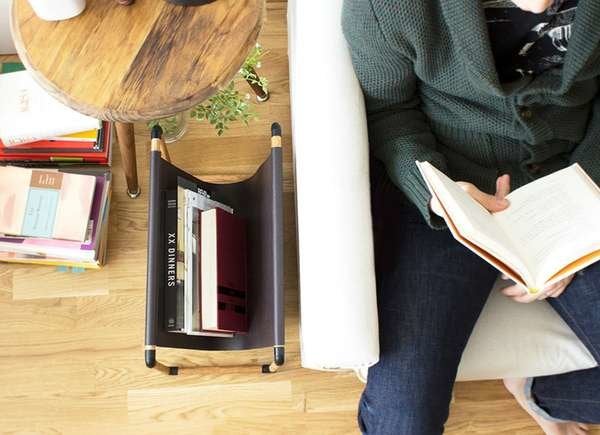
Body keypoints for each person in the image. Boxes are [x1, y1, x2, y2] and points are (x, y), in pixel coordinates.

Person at [342, 0, 600, 434]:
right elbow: (388, 111)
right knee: (405, 420)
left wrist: (581, 214)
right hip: (449, 182)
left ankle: (542, 392)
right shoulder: (387, 7)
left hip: (574, 176)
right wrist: (436, 194)